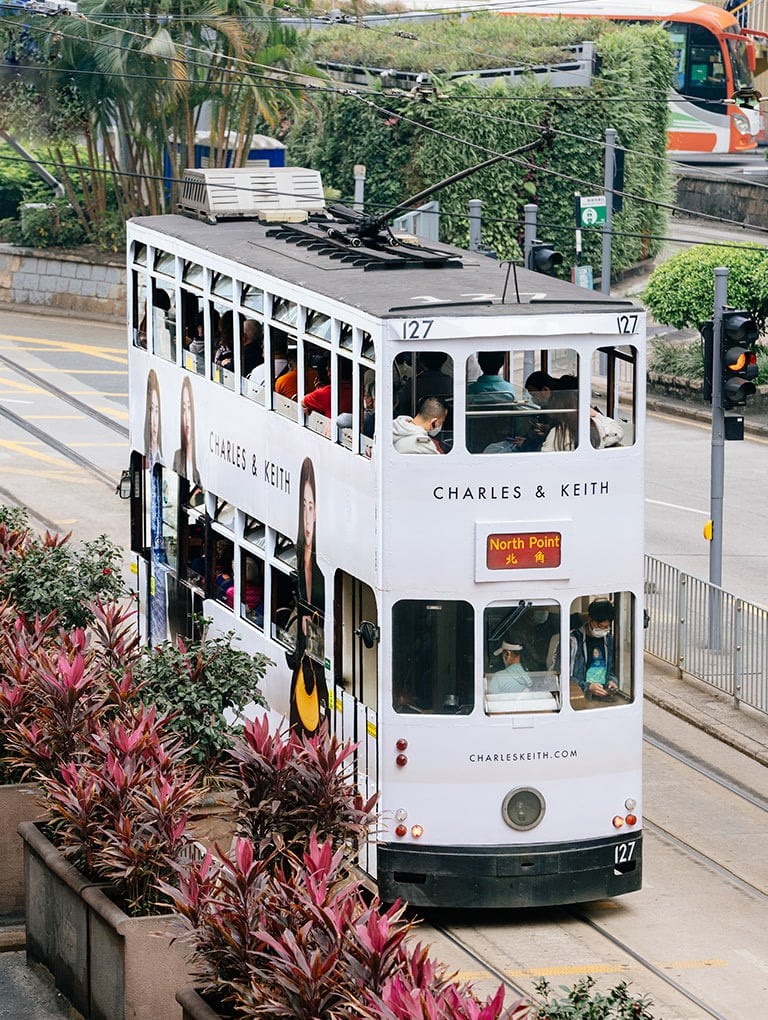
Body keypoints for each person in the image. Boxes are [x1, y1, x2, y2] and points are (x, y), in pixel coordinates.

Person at [290, 457, 328, 738]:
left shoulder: (324, 567)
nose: (307, 515)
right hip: (302, 666)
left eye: (311, 507)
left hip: (320, 668)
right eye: (303, 506)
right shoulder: (297, 550)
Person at [569, 600, 619, 700]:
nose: (602, 630)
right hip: (579, 697)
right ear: (589, 619)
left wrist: (612, 681)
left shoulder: (609, 641)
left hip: (603, 696)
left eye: (606, 627)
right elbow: (564, 676)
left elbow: (611, 670)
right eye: (599, 626)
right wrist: (587, 687)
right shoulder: (573, 641)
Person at [172, 377, 201, 485]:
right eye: (184, 409)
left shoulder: (200, 466)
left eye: (190, 408)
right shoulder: (177, 456)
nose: (187, 417)